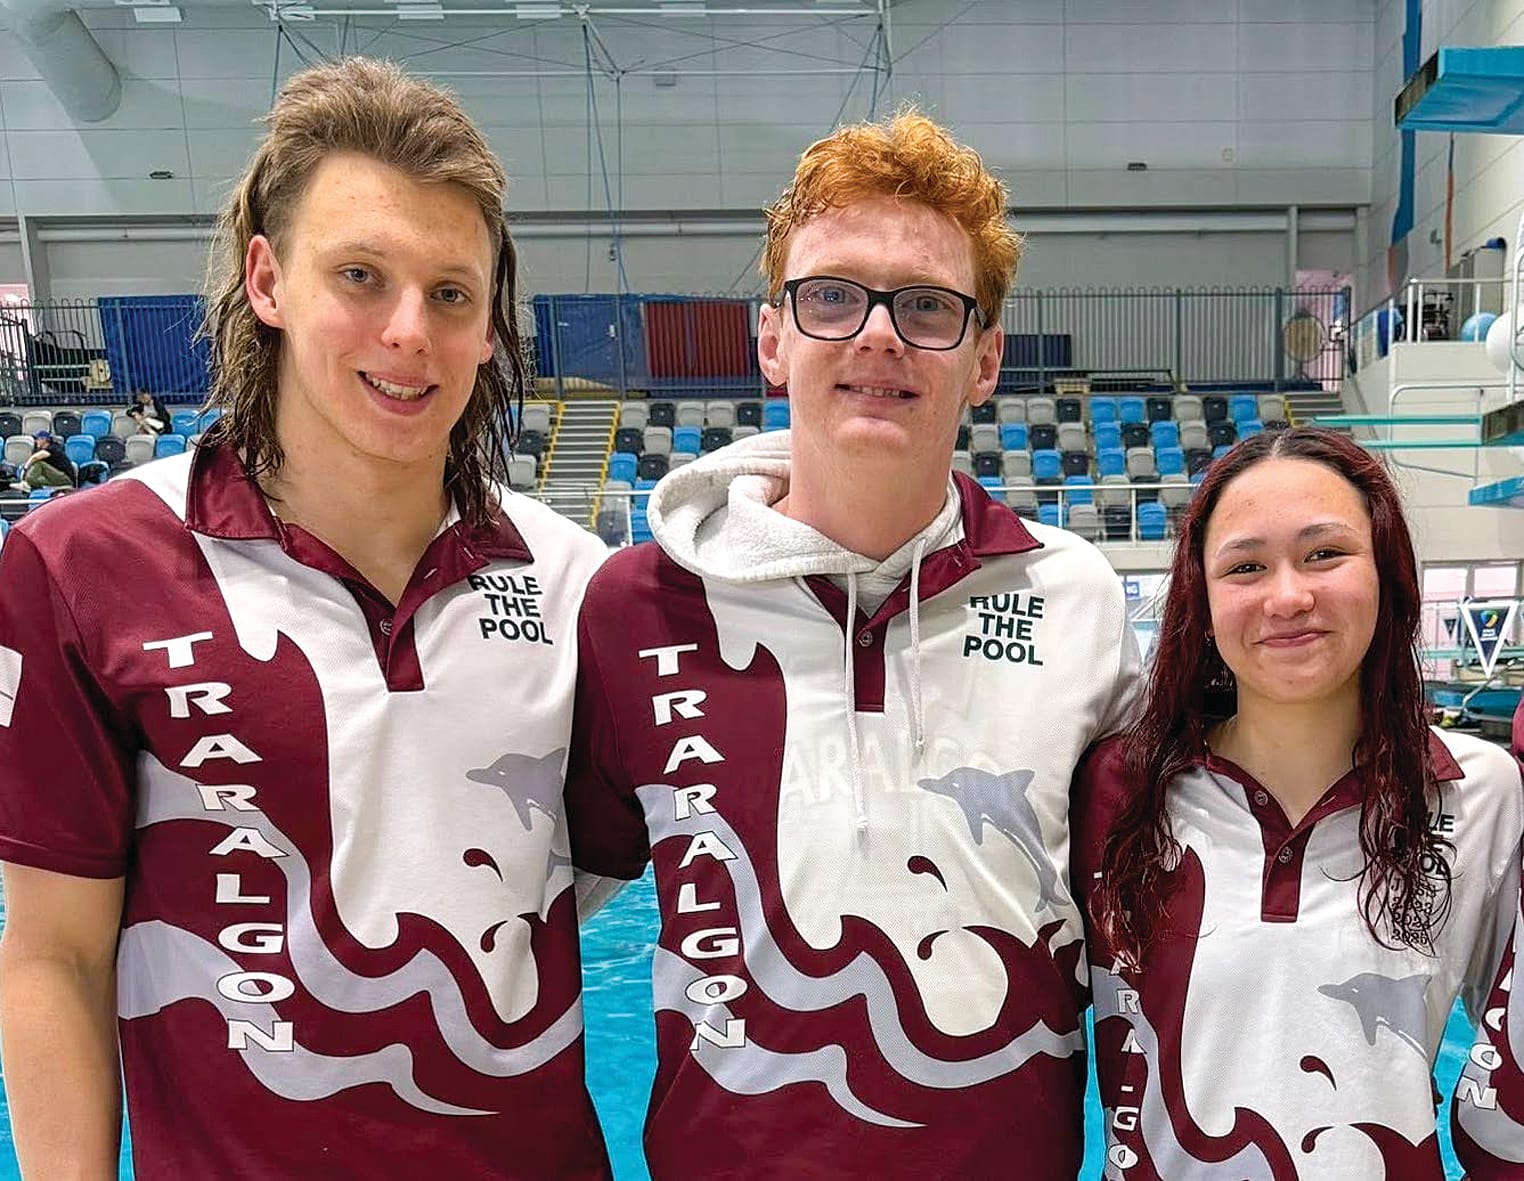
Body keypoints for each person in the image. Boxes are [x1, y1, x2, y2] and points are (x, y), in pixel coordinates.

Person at [0, 58, 611, 1179]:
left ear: (488, 330)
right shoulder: (83, 566)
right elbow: (55, 956)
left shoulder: (580, 584)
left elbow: (576, 874)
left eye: (451, 293)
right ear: (269, 279)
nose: (407, 331)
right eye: (362, 276)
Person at [565, 111, 1140, 1177]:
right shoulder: (634, 608)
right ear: (773, 336)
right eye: (833, 296)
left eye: (927, 305)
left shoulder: (1076, 602)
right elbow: (541, 899)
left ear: (984, 359)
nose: (879, 333)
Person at [1073, 427, 1524, 1178]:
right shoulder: (1118, 788)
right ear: (1204, 603)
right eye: (1246, 566)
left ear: (1385, 573)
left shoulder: (1477, 793)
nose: (1288, 596)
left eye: (1324, 554)